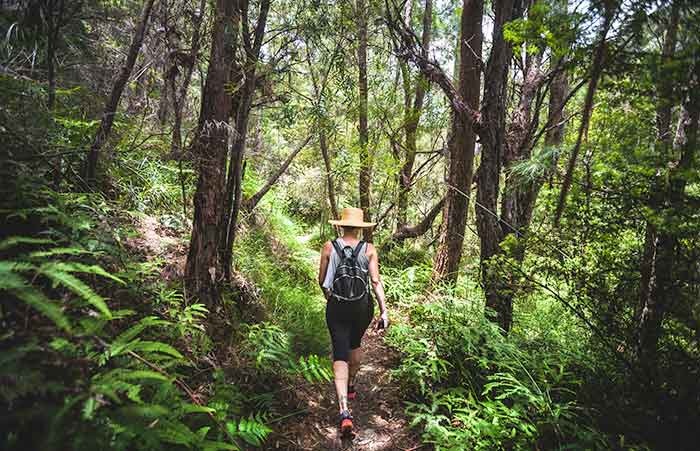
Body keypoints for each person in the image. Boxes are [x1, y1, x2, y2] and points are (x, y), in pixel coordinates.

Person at [318, 207, 389, 436]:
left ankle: (344, 411)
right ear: (360, 227)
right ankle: (351, 385)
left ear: (341, 225)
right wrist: (384, 311)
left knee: (340, 353)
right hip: (362, 307)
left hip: (337, 306)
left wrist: (331, 298)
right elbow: (376, 282)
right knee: (355, 344)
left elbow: (321, 280)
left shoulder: (329, 246)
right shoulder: (368, 249)